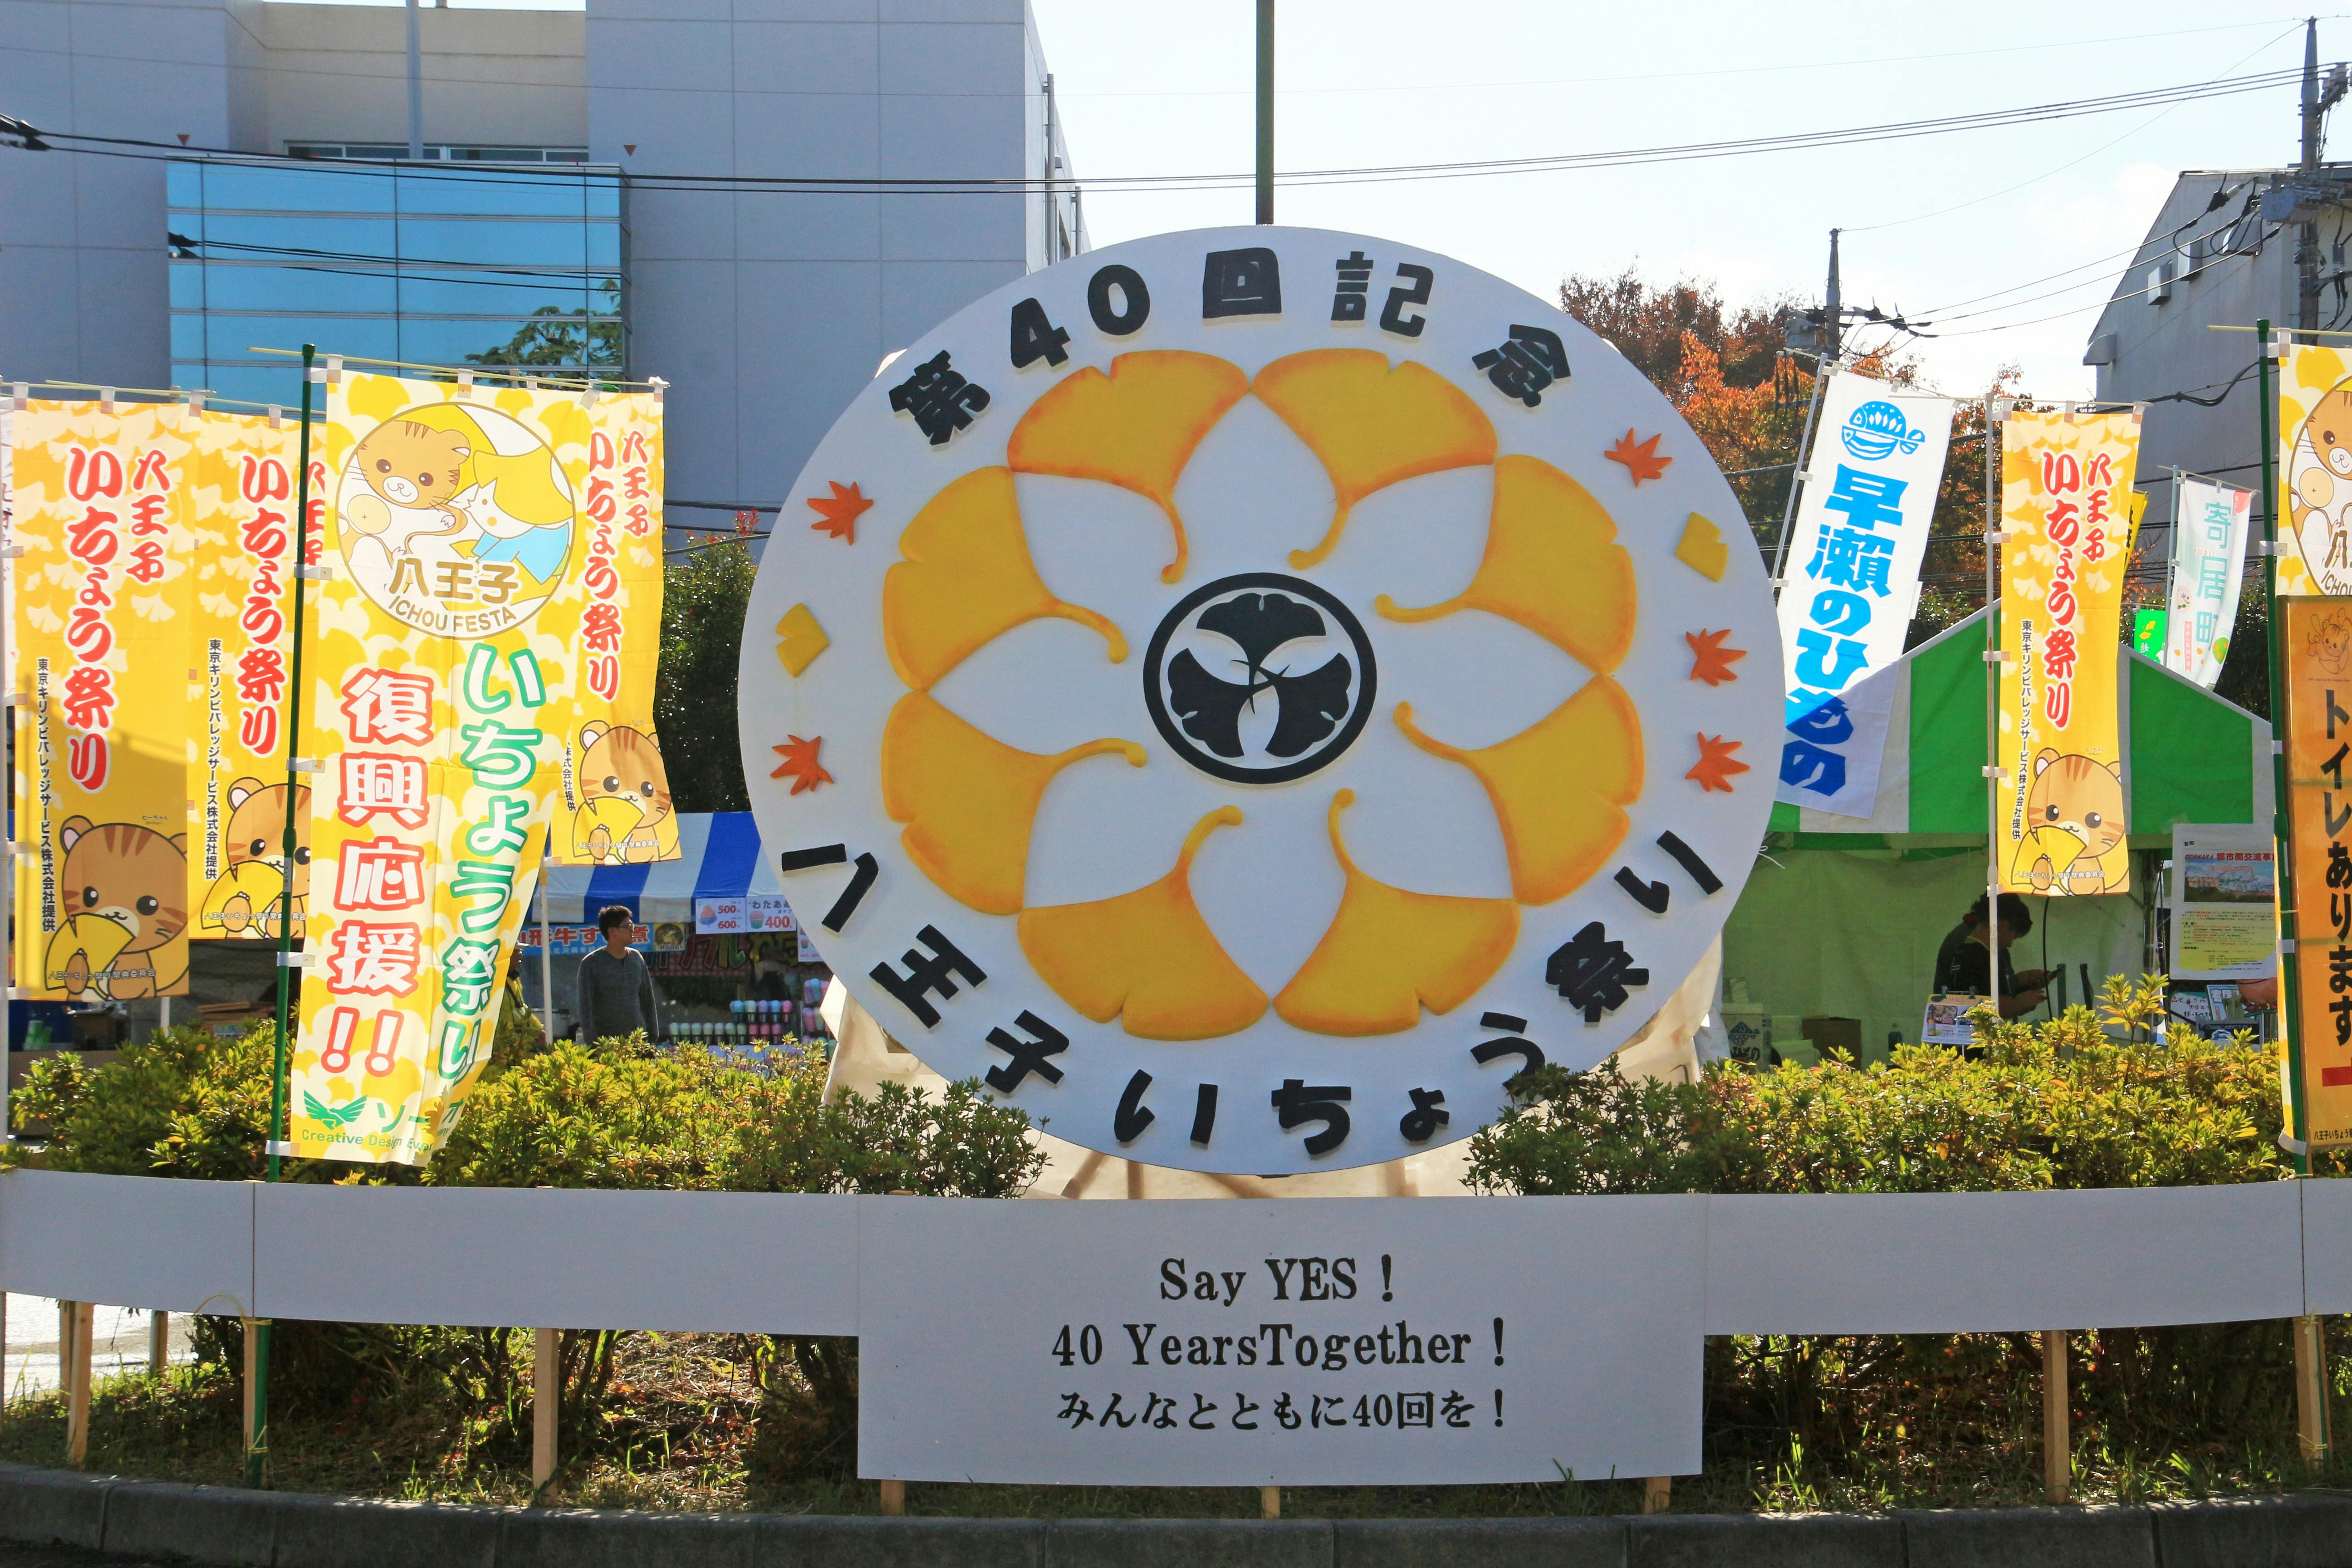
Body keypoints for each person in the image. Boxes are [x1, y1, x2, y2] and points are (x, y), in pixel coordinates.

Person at [1931, 892, 2052, 1019]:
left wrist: (2019, 981)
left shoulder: (1964, 946)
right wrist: (2018, 1004)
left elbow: (1984, 989)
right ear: (2002, 926)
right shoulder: (1979, 955)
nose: (2010, 944)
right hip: (1971, 1031)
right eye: (2014, 936)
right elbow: (1982, 1007)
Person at [576, 905, 663, 1045]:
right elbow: (585, 1009)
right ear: (613, 931)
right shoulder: (591, 964)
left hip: (638, 1043)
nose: (633, 930)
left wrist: (652, 1037)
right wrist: (595, 1045)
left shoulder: (636, 958)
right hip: (607, 1046)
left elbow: (648, 1000)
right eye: (628, 926)